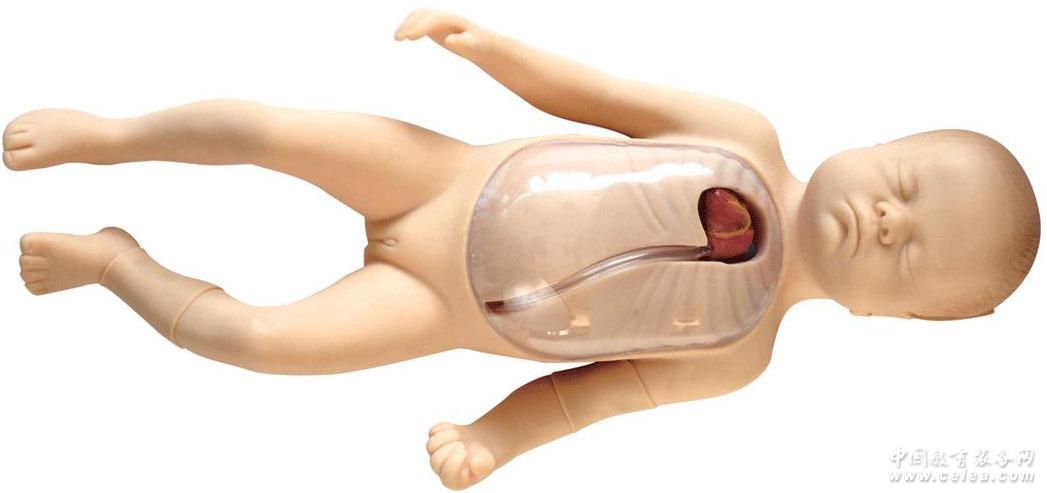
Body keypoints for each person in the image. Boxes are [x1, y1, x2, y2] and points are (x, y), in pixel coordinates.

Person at [3, 9, 1038, 490]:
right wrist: (497, 52)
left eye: (911, 255)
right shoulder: (742, 134)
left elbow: (587, 396)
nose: (889, 221)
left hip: (437, 308)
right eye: (904, 186)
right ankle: (110, 135)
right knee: (266, 130)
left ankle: (114, 262)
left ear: (892, 316)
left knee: (258, 342)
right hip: (438, 176)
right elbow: (597, 96)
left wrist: (496, 439)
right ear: (880, 141)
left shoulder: (737, 354)